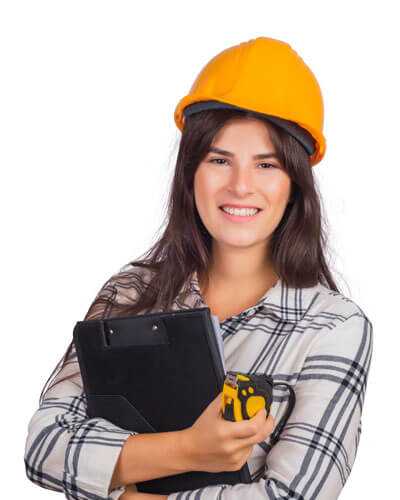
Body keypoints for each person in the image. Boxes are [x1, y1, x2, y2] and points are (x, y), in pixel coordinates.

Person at [24, 36, 373, 500]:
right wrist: (189, 449)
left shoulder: (333, 328)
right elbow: (45, 443)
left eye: (266, 165)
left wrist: (128, 491)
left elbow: (291, 496)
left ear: (295, 185)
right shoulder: (130, 293)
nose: (241, 186)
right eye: (220, 160)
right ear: (191, 173)